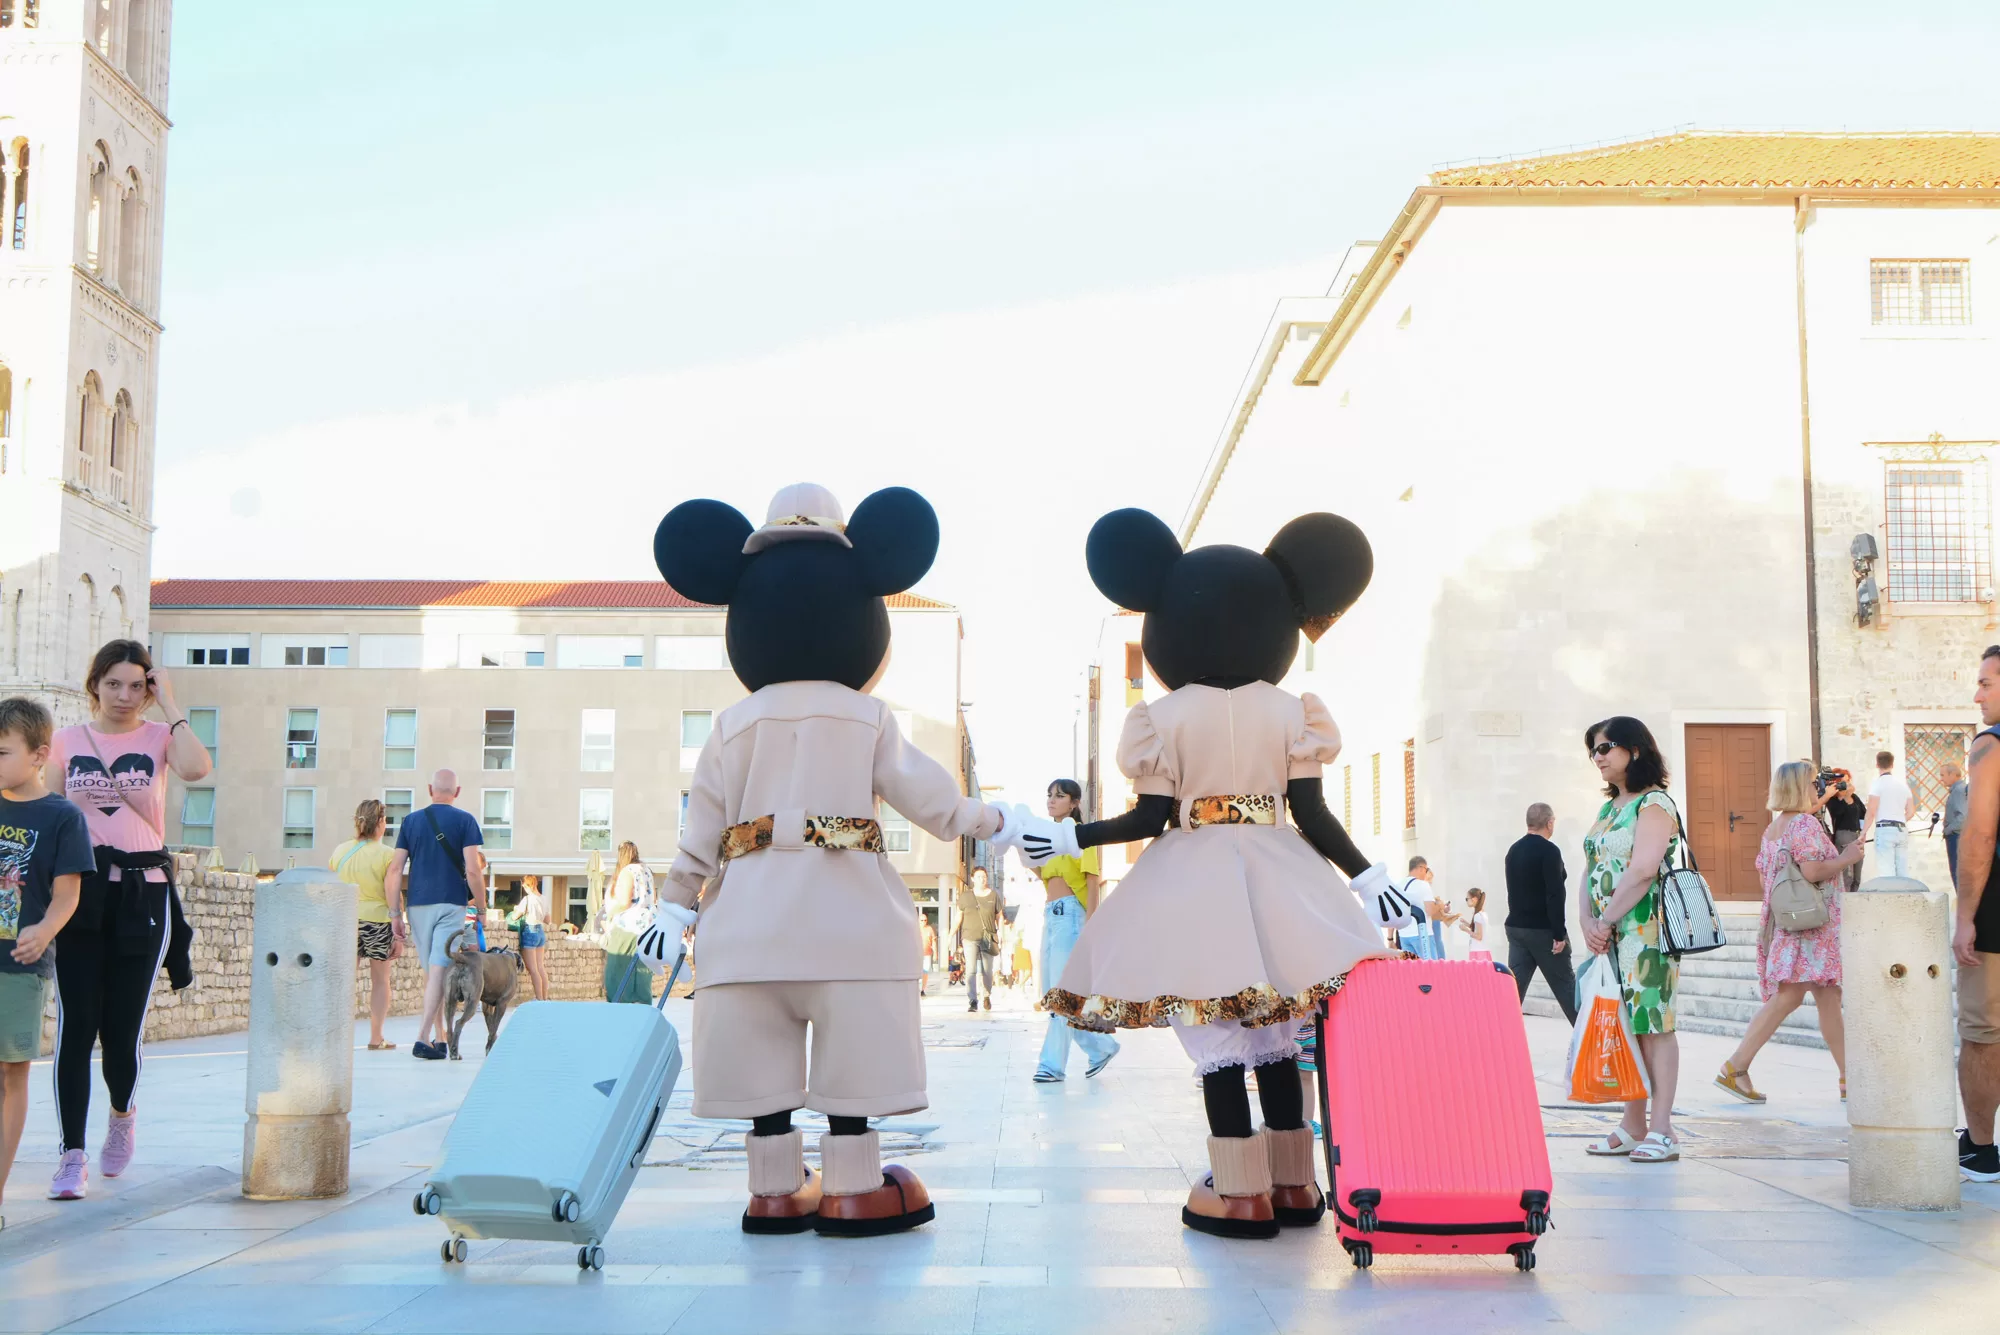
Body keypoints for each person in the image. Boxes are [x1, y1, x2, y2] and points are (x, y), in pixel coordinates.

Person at [656, 481, 1020, 1236]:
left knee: (761, 1075)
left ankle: (774, 1191)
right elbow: (933, 800)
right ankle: (854, 1188)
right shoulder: (868, 717)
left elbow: (702, 828)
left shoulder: (730, 725)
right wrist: (997, 819)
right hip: (850, 924)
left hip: (747, 931)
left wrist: (672, 903)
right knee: (854, 1069)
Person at [1029, 506, 1396, 1239]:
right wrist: (1367, 875)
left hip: (1191, 878)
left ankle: (1238, 1193)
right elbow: (1312, 813)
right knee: (1277, 1033)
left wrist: (1074, 834)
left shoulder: (1160, 720)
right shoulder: (1294, 711)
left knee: (1217, 1035)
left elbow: (1147, 820)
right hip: (1282, 870)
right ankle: (1295, 1184)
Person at [43, 642, 209, 1201]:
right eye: (114, 684)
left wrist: (172, 704)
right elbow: (51, 813)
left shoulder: (160, 737)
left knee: (120, 1034)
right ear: (95, 684)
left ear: (150, 689)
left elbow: (197, 769)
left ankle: (122, 1114)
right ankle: (71, 1155)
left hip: (143, 893)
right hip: (80, 894)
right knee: (75, 1028)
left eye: (137, 685)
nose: (124, 695)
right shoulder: (67, 741)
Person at [1715, 761, 1864, 1105]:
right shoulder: (1804, 824)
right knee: (1791, 996)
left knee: (1826, 997)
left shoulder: (1775, 828)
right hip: (1811, 927)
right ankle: (1735, 1066)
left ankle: (1850, 1078)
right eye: (1813, 782)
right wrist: (1847, 857)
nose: (1818, 788)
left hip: (1792, 923)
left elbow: (1766, 877)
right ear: (1800, 786)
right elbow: (1811, 871)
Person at [0, 698, 93, 1224]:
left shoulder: (62, 817)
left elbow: (67, 894)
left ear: (39, 755)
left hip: (18, 965)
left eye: (2, 752)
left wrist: (44, 930)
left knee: (10, 1073)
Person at [1578, 715, 1682, 1165]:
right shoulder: (1609, 809)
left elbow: (1643, 869)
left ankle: (1662, 1129)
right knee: (1625, 1026)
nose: (1597, 758)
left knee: (1654, 1025)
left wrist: (1605, 919)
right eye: (1593, 751)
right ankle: (1633, 1123)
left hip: (1646, 931)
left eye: (1605, 748)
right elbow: (1589, 867)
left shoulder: (1654, 803)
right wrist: (1586, 920)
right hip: (1611, 932)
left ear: (1634, 750)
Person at [1022, 779, 1120, 1082]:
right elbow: (1042, 873)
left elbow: (1092, 881)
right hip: (1051, 915)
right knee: (1053, 993)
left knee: (1061, 994)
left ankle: (1051, 1065)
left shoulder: (1080, 836)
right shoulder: (1049, 838)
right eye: (1049, 795)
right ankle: (1101, 1047)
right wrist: (1023, 850)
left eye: (1060, 796)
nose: (1052, 800)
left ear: (1075, 803)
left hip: (1071, 916)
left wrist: (1091, 926)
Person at [385, 769, 486, 1062]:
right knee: (439, 970)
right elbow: (473, 870)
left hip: (417, 904)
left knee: (434, 973)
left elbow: (395, 870)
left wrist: (395, 914)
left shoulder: (411, 821)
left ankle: (440, 1038)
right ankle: (421, 1037)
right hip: (451, 902)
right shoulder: (466, 821)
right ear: (458, 792)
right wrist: (481, 909)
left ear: (430, 789)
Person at [1953, 645, 2000, 1182]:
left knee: (1984, 1031)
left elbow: (1981, 833)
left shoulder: (1990, 745)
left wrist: (1966, 915)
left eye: (1986, 683)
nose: (1977, 695)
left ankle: (1980, 1150)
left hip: (1995, 912)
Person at [330, 799, 400, 1050]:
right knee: (380, 981)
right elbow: (392, 891)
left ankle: (336, 1036)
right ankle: (376, 1037)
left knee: (344, 980)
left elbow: (332, 886)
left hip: (345, 918)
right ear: (380, 822)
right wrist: (398, 926)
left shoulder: (340, 851)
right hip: (377, 920)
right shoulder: (387, 854)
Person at [1503, 803, 1577, 1024]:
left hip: (1516, 928)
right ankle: (1589, 1039)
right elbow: (1555, 894)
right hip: (1543, 930)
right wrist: (1559, 933)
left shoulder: (1513, 850)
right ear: (1549, 823)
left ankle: (1500, 1036)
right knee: (1566, 987)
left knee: (1513, 991)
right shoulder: (1550, 851)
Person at [602, 842, 654, 1004]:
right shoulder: (646, 871)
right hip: (647, 927)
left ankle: (620, 1008)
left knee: (617, 971)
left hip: (628, 926)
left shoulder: (627, 872)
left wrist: (610, 914)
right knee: (642, 972)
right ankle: (642, 1007)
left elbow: (625, 901)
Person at [955, 866, 1000, 1013]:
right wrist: (950, 934)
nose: (982, 879)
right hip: (969, 937)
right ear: (973, 879)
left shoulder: (993, 896)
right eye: (979, 877)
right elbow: (958, 916)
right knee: (971, 969)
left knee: (987, 970)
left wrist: (1002, 934)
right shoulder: (965, 896)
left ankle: (986, 995)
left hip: (988, 937)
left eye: (984, 877)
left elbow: (999, 917)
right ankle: (973, 1000)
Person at [1864, 750, 1914, 879]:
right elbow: (1911, 812)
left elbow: (1871, 811)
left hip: (1885, 828)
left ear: (1877, 765)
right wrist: (1899, 818)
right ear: (1892, 765)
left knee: (1887, 872)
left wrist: (1863, 833)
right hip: (1901, 828)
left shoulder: (1877, 784)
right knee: (1902, 870)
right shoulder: (1903, 785)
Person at [505, 874, 550, 1002]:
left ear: (526, 885)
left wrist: (516, 910)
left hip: (530, 930)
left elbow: (515, 917)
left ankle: (539, 998)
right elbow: (548, 920)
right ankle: (545, 998)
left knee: (533, 969)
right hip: (540, 931)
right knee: (541, 967)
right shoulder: (544, 899)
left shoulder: (527, 899)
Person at [1821, 769, 1866, 892]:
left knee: (1857, 875)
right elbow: (1838, 813)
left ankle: (1854, 897)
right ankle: (1845, 898)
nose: (1847, 784)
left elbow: (1863, 813)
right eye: (1844, 782)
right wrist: (1846, 797)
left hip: (1857, 834)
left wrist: (1863, 832)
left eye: (1848, 781)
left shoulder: (1854, 797)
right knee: (1846, 874)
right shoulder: (1832, 799)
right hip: (1844, 834)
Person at [1943, 762, 1969, 885]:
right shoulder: (1957, 790)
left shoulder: (1958, 790)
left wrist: (1948, 829)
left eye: (1943, 775)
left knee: (1957, 873)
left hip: (1957, 837)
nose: (1941, 779)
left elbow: (1963, 816)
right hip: (1956, 836)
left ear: (1953, 774)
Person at [1459, 888, 1492, 962]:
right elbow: (1479, 929)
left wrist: (1466, 930)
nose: (1467, 901)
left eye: (1467, 899)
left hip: (1478, 952)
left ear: (1474, 899)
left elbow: (1479, 936)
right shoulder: (1483, 914)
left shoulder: (1477, 916)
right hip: (1484, 950)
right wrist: (1467, 924)